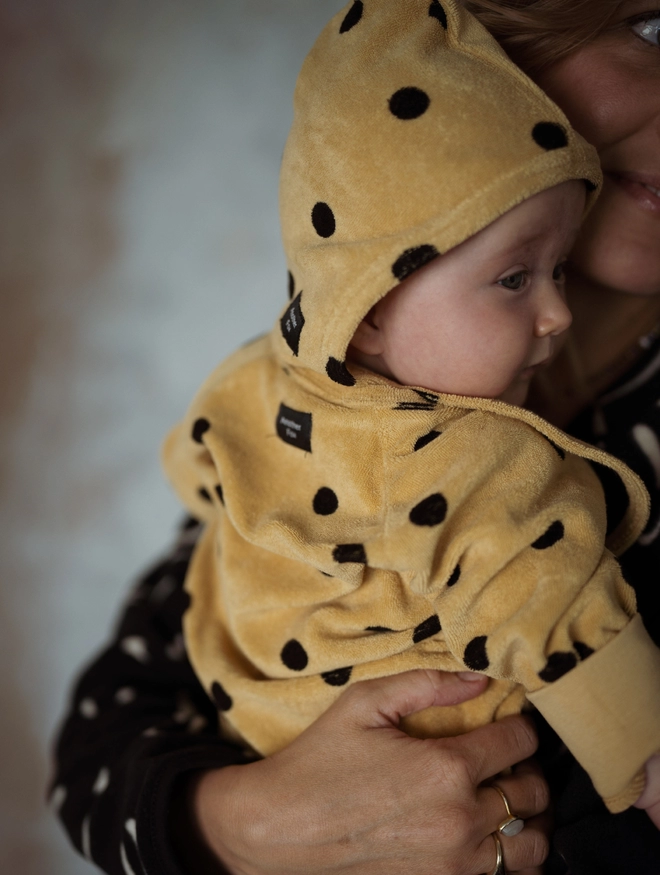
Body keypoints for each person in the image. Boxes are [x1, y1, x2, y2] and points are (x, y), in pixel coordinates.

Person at [49, 1, 660, 873]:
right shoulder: (352, 403)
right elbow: (105, 730)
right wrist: (239, 827)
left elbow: (198, 455)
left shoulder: (301, 386)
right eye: (653, 30)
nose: (551, 313)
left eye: (550, 270)